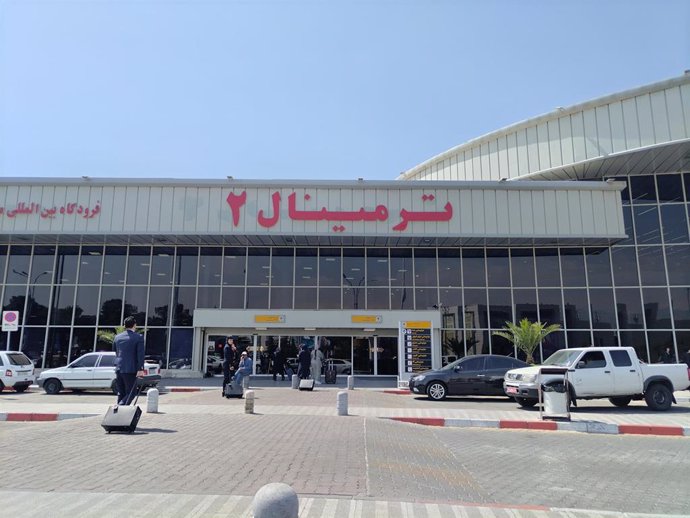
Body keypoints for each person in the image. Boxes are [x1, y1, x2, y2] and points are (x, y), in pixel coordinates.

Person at [113, 316, 145, 405]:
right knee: (132, 392)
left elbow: (115, 351)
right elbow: (140, 354)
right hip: (130, 369)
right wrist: (140, 369)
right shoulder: (138, 337)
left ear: (124, 325)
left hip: (119, 368)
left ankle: (118, 413)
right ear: (134, 325)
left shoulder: (117, 337)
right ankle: (120, 406)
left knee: (121, 392)